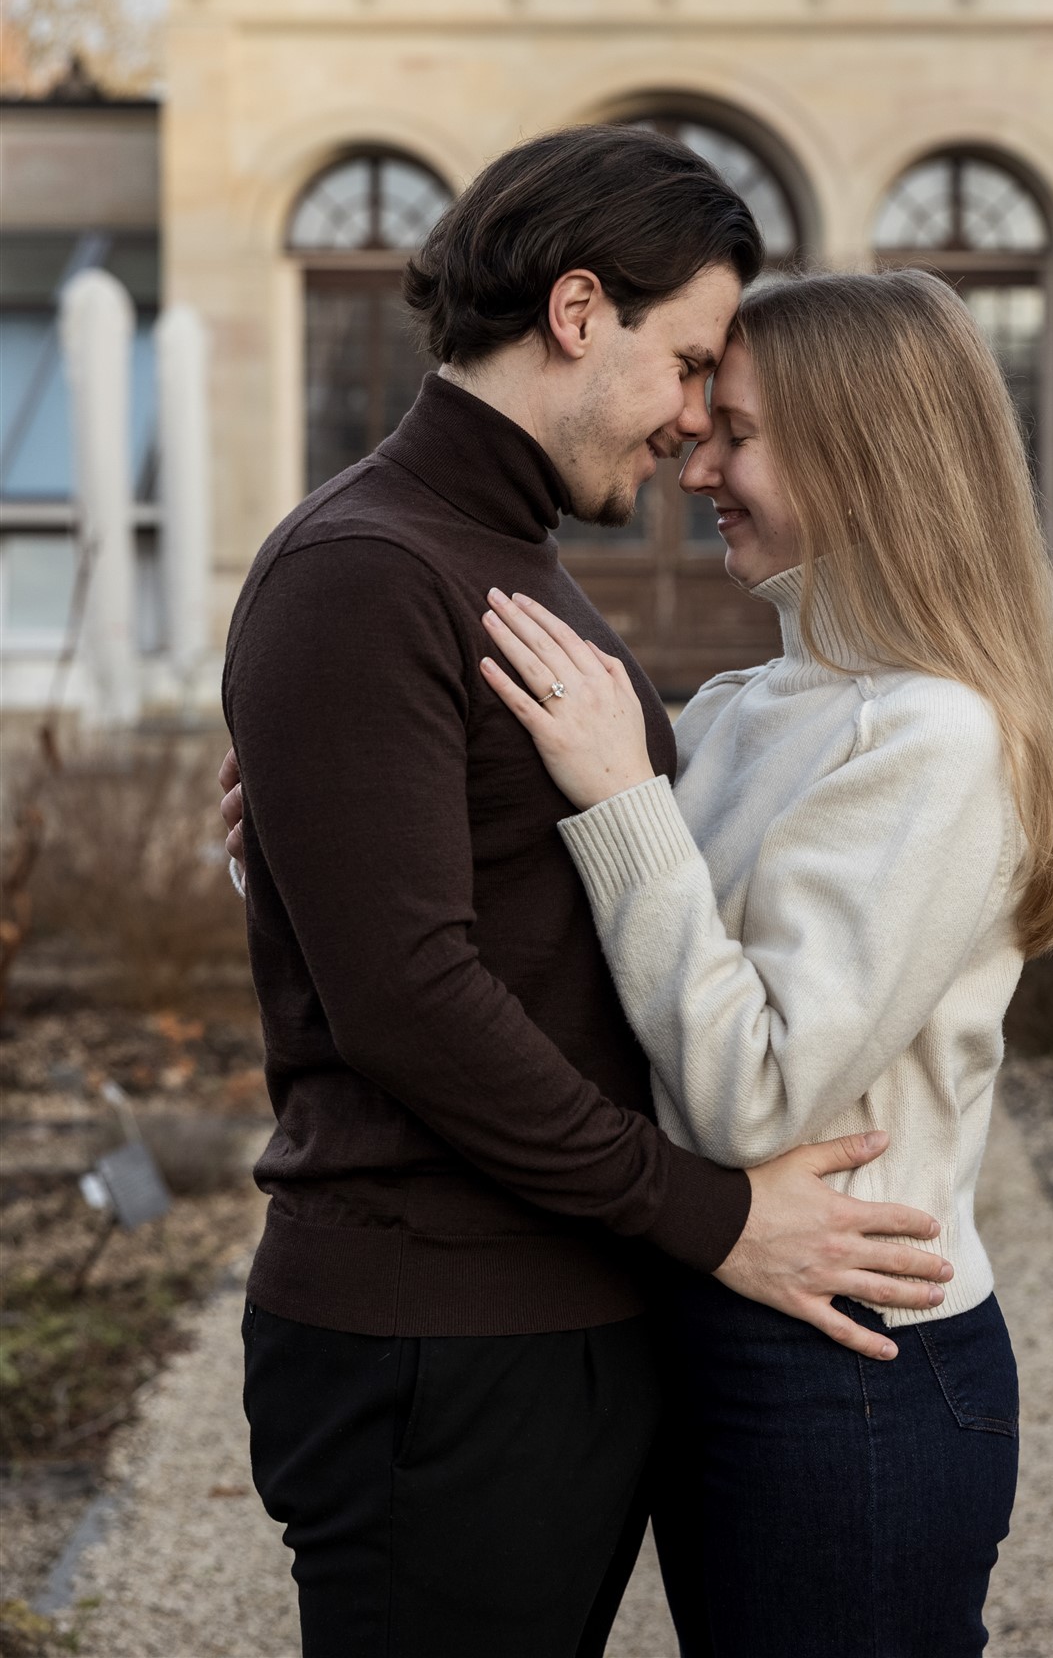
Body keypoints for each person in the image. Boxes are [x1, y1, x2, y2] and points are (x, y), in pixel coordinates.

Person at [219, 130, 952, 1658]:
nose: (692, 427)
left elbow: (515, 901)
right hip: (437, 1329)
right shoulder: (364, 567)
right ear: (573, 312)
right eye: (684, 365)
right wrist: (710, 1218)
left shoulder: (498, 552)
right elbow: (409, 1001)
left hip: (552, 1317)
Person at [479, 268, 1053, 1658]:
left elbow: (751, 1097)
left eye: (738, 436)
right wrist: (315, 851)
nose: (695, 466)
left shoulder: (936, 740)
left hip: (853, 1366)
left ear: (862, 458)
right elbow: (602, 962)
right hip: (722, 1315)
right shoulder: (744, 708)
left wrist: (619, 796)